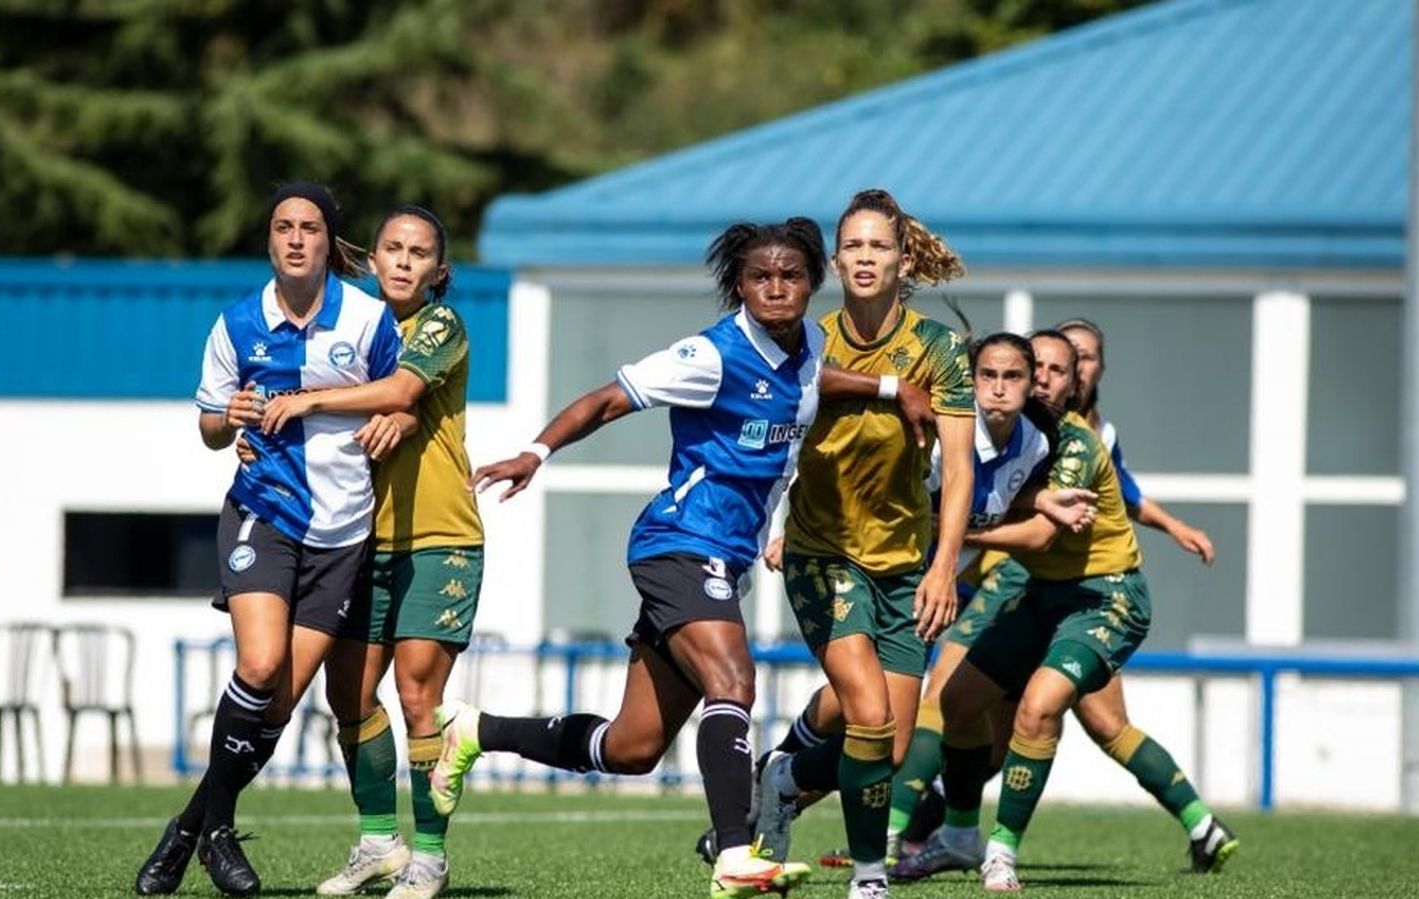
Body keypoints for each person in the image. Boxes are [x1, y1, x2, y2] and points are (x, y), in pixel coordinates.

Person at [426, 218, 931, 899]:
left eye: (790, 275)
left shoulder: (809, 343)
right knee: (735, 680)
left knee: (632, 747)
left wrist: (892, 389)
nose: (776, 288)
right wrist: (535, 453)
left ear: (814, 281)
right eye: (760, 277)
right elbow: (609, 397)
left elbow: (818, 378)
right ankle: (733, 855)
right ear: (740, 286)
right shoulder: (712, 355)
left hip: (723, 558)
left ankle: (473, 729)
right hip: (679, 544)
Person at [890, 321, 1236, 884]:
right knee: (957, 702)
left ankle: (997, 851)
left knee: (1042, 708)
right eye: (1036, 369)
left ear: (1074, 382)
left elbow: (1036, 535)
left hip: (1105, 596)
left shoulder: (1075, 441)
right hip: (1038, 591)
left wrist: (947, 530)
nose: (1043, 380)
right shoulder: (1002, 435)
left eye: (1056, 370)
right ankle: (956, 835)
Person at [136, 182, 401, 898]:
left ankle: (192, 828)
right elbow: (209, 428)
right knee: (258, 665)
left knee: (276, 705)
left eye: (309, 228)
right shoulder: (236, 324)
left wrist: (396, 423)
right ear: (269, 240)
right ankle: (219, 831)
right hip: (266, 512)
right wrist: (230, 418)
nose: (294, 239)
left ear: (328, 241)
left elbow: (401, 396)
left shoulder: (371, 320)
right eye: (283, 226)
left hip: (344, 534)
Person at [250, 205, 481, 899]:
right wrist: (259, 433)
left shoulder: (440, 324)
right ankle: (380, 841)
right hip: (358, 538)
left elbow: (403, 388)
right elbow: (346, 403)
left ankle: (431, 859)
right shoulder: (354, 334)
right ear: (371, 260)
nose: (405, 260)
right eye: (392, 248)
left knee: (418, 694)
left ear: (438, 271)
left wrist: (308, 401)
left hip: (440, 537)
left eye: (419, 252)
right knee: (346, 692)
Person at [751, 189, 975, 899]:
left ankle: (784, 779)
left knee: (894, 745)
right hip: (823, 551)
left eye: (879, 246)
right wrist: (773, 522)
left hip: (907, 561)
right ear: (836, 260)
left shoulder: (938, 348)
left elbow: (961, 470)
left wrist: (944, 567)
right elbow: (775, 426)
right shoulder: (808, 339)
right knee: (871, 716)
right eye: (854, 246)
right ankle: (870, 875)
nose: (866, 258)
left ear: (903, 259)